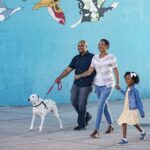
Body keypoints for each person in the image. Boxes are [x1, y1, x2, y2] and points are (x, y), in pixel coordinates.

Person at [75, 39, 120, 138]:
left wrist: (118, 83)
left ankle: (96, 130)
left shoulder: (111, 57)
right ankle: (111, 126)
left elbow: (116, 70)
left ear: (107, 46)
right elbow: (89, 71)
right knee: (104, 107)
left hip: (108, 85)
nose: (100, 46)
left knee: (100, 107)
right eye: (99, 44)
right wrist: (79, 75)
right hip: (98, 85)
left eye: (102, 44)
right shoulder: (95, 57)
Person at [55, 40, 96, 130]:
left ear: (86, 46)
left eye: (81, 46)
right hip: (76, 84)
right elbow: (68, 70)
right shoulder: (75, 58)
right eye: (78, 46)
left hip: (87, 84)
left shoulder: (93, 57)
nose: (79, 47)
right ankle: (86, 115)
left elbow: (92, 71)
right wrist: (59, 77)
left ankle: (81, 124)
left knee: (82, 104)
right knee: (74, 101)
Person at [116, 72, 146, 145]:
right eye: (125, 79)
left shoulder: (134, 90)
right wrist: (119, 89)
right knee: (134, 123)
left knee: (124, 122)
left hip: (132, 109)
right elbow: (126, 94)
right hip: (126, 109)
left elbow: (139, 102)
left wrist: (142, 112)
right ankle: (143, 132)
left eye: (128, 79)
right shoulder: (128, 88)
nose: (126, 80)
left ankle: (124, 140)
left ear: (133, 80)